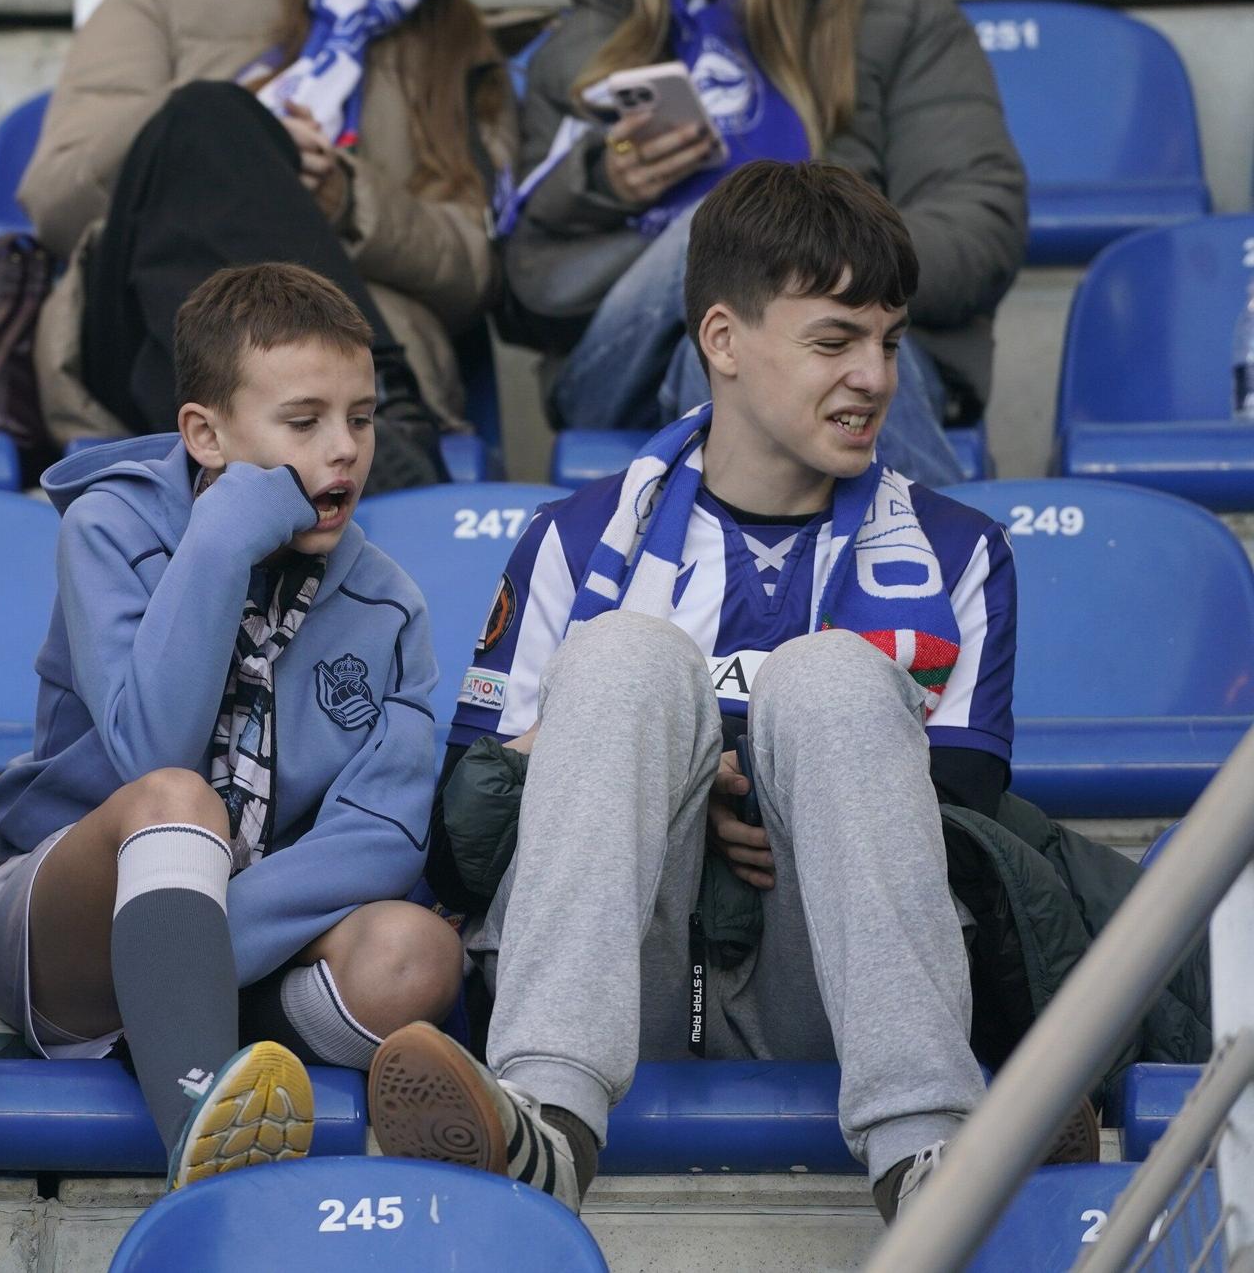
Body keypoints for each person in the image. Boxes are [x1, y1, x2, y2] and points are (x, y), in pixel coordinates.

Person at [367, 161, 1096, 1219]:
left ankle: (927, 1155)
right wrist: (672, 775)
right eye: (832, 340)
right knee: (623, 658)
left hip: (829, 989)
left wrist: (746, 768)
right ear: (722, 342)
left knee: (834, 680)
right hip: (621, 967)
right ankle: (545, 1124)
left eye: (887, 342)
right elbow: (461, 835)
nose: (874, 377)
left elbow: (956, 806)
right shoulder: (574, 540)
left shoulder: (957, 551)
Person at [0, 262, 461, 1186]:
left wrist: (189, 947)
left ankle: (199, 1039)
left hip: (243, 943)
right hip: (68, 929)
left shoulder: (390, 600)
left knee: (416, 952)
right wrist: (226, 532)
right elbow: (148, 748)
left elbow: (381, 835)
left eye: (361, 417)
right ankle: (203, 1126)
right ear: (205, 434)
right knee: (174, 796)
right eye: (304, 421)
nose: (345, 449)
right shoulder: (112, 527)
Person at [505, 0, 1024, 487]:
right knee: (720, 233)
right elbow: (530, 283)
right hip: (626, 369)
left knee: (727, 343)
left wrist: (813, 260)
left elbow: (980, 230)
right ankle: (936, 556)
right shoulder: (584, 38)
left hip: (855, 339)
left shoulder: (898, 15)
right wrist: (603, 184)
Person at [18, 0, 517, 492]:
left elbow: (481, 272)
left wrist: (347, 200)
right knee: (208, 118)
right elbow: (52, 199)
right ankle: (354, 437)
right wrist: (231, 133)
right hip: (147, 334)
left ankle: (348, 416)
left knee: (214, 122)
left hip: (357, 355)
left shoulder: (462, 48)